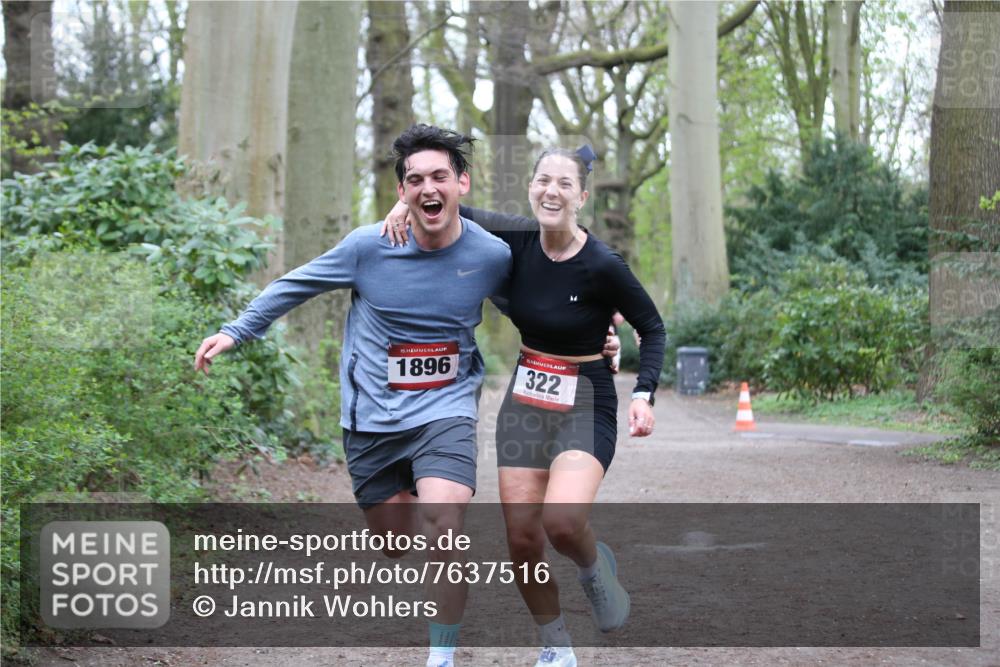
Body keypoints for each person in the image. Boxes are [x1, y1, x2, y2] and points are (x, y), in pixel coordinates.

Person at [194, 124, 513, 667]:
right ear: (401, 192)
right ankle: (410, 487)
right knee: (394, 543)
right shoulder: (370, 246)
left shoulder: (492, 255)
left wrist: (592, 337)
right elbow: (295, 284)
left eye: (440, 176)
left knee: (446, 520)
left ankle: (442, 656)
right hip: (373, 416)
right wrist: (237, 330)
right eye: (415, 180)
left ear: (462, 182)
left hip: (447, 406)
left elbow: (536, 304)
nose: (427, 188)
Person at [382, 146, 666, 667]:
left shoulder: (603, 263)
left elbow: (651, 326)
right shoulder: (513, 237)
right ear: (531, 187)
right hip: (527, 398)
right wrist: (403, 206)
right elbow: (447, 205)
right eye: (543, 181)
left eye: (564, 184)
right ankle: (556, 645)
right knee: (522, 538)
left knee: (561, 523)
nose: (551, 192)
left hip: (586, 396)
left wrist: (644, 393)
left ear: (581, 196)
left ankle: (592, 567)